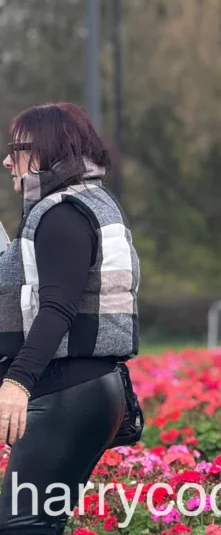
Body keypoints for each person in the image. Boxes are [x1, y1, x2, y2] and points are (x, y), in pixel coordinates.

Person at [0, 102, 140, 532]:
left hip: (67, 389)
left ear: (46, 149)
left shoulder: (60, 212)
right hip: (86, 387)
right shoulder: (84, 203)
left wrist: (16, 381)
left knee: (22, 526)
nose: (7, 160)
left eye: (16, 148)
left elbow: (57, 308)